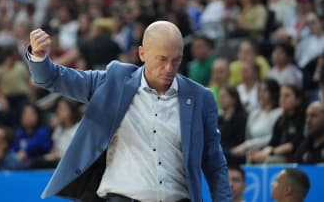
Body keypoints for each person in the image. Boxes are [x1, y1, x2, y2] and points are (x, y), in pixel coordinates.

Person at [26, 21, 231, 201]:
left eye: (176, 60)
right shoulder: (113, 81)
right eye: (162, 59)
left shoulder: (200, 98)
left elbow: (214, 163)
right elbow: (53, 78)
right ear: (142, 53)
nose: (170, 68)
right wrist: (39, 57)